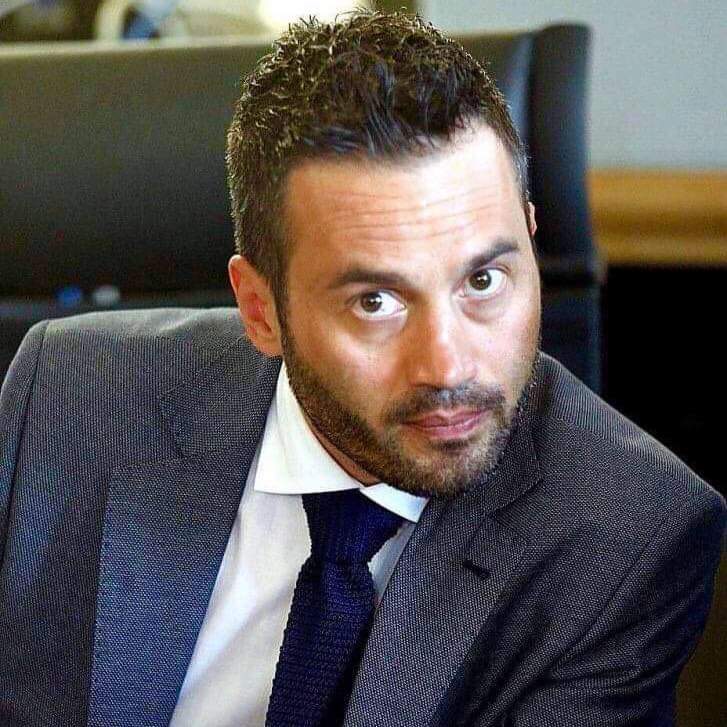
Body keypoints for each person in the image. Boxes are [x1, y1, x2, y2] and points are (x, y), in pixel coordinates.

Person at [0, 10, 724, 727]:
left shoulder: (627, 535)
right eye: (375, 301)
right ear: (261, 310)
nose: (447, 364)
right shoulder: (70, 395)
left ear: (531, 243)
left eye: (482, 281)